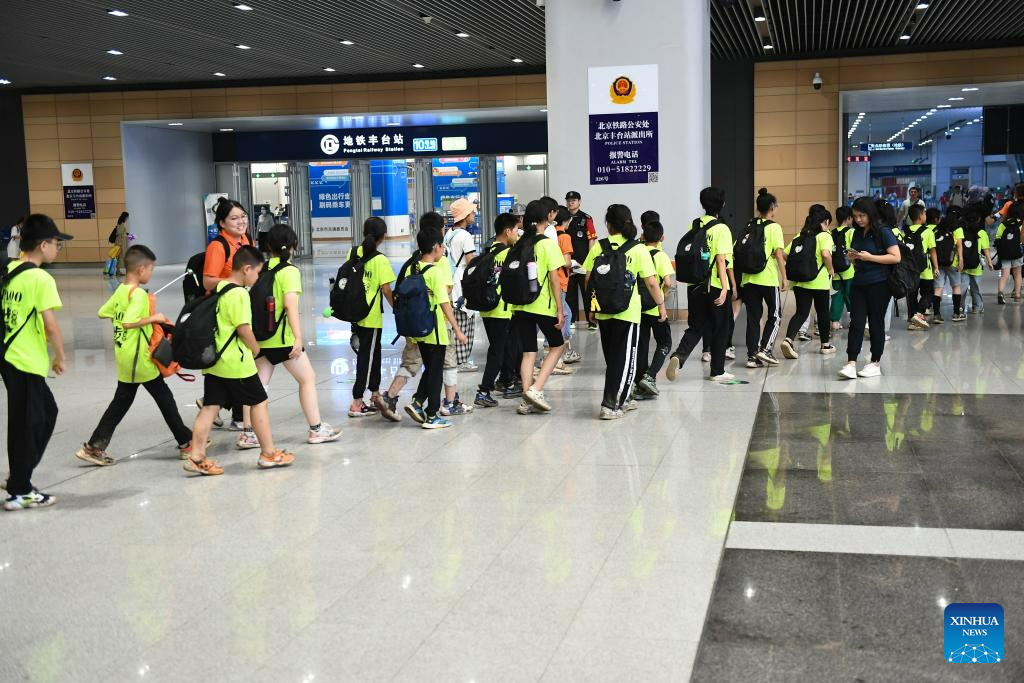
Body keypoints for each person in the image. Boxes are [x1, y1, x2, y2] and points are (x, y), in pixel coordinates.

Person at [76, 245, 197, 466]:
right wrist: (154, 318)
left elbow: (102, 312)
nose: (151, 273)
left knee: (122, 402)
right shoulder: (139, 295)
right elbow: (128, 322)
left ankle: (94, 446)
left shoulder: (121, 291)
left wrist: (123, 315)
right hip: (139, 359)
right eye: (151, 269)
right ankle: (186, 443)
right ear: (141, 269)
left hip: (124, 356)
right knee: (164, 399)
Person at [184, 245, 295, 475]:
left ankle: (196, 456)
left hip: (215, 360)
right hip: (236, 362)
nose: (257, 278)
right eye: (256, 272)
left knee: (210, 407)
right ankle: (268, 453)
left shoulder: (220, 287)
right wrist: (255, 349)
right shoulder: (239, 294)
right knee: (259, 402)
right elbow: (243, 329)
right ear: (246, 269)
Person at [236, 225, 340, 448]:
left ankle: (248, 433)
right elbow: (290, 306)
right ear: (294, 245)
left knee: (257, 386)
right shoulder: (289, 271)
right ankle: (316, 429)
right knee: (307, 379)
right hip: (283, 339)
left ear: (268, 246)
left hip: (260, 338)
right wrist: (298, 338)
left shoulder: (262, 269)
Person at [1, 215, 71, 510]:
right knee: (32, 422)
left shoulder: (10, 269)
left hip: (9, 357)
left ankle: (19, 476)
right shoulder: (41, 278)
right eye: (56, 243)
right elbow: (50, 325)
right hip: (26, 360)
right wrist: (60, 356)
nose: (57, 248)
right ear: (43, 245)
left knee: (33, 417)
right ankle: (20, 489)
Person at [583, 205, 665, 419]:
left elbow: (588, 279)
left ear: (609, 225)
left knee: (613, 359)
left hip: (603, 311)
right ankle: (611, 405)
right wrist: (661, 305)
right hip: (627, 313)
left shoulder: (599, 246)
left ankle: (624, 398)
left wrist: (591, 307)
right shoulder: (638, 249)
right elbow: (652, 282)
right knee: (626, 359)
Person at [666, 186, 737, 383]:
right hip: (714, 285)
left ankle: (679, 356)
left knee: (696, 326)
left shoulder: (695, 225)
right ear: (722, 204)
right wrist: (725, 288)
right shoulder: (722, 228)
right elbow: (721, 259)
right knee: (721, 327)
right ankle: (717, 371)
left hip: (694, 285)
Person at [402, 228, 468, 429]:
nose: (443, 250)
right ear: (435, 247)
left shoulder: (411, 269)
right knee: (436, 373)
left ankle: (417, 402)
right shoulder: (435, 272)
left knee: (431, 370)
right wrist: (457, 330)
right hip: (436, 330)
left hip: (419, 330)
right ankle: (432, 415)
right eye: (442, 246)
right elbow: (444, 304)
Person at [198, 197, 252, 429]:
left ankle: (220, 406)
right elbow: (208, 282)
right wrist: (234, 282)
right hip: (223, 311)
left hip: (242, 304)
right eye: (234, 218)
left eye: (243, 216)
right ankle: (232, 413)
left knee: (239, 360)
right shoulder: (218, 246)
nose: (241, 222)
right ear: (221, 223)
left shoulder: (246, 240)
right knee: (235, 359)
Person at [510, 200, 566, 414]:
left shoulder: (519, 242)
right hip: (542, 305)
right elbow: (554, 280)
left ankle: (526, 400)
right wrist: (560, 309)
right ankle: (536, 389)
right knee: (557, 346)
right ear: (547, 217)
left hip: (519, 305)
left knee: (528, 352)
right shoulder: (547, 244)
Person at [838, 197, 901, 380]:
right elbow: (859, 257)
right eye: (855, 216)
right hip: (859, 283)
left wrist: (870, 257)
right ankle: (851, 362)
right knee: (856, 323)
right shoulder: (857, 233)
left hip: (879, 284)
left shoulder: (883, 231)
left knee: (875, 323)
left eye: (862, 216)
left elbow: (895, 257)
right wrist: (854, 258)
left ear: (870, 214)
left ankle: (875, 362)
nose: (858, 220)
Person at [340, 217, 396, 418]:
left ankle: (374, 394)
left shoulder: (353, 252)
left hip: (355, 314)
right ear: (383, 237)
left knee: (373, 354)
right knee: (367, 357)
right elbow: (386, 290)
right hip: (370, 317)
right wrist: (397, 309)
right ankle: (357, 402)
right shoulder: (380, 260)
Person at [475, 213, 519, 407]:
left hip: (487, 308)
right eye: (516, 230)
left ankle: (508, 382)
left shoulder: (488, 251)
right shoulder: (509, 254)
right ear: (507, 231)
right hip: (502, 309)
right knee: (497, 351)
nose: (517, 234)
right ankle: (484, 391)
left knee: (506, 346)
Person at [780, 205, 835, 359]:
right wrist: (831, 269)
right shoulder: (825, 236)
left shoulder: (800, 235)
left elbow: (785, 254)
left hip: (800, 281)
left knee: (801, 312)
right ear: (825, 222)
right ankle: (825, 345)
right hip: (818, 281)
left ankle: (788, 340)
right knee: (823, 312)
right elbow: (826, 254)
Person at [740, 188, 787, 367]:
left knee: (753, 318)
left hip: (748, 278)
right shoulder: (774, 227)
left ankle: (752, 356)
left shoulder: (749, 225)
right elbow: (779, 254)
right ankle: (765, 349)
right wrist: (784, 277)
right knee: (775, 315)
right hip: (767, 278)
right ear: (772, 208)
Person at [634, 219, 675, 398]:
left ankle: (639, 385)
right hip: (655, 308)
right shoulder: (661, 256)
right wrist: (662, 298)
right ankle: (650, 376)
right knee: (665, 342)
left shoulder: (638, 252)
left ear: (642, 236)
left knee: (641, 345)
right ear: (661, 238)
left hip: (637, 307)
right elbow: (668, 282)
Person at [444, 198, 478, 372]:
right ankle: (462, 361)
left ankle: (453, 358)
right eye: (472, 212)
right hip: (462, 281)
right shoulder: (465, 236)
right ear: (465, 216)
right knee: (466, 320)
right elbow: (471, 262)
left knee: (454, 321)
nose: (474, 214)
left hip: (450, 280)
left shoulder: (448, 233)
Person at [565, 190, 598, 330]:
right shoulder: (564, 217)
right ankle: (571, 320)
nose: (571, 203)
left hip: (583, 262)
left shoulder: (586, 218)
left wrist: (590, 261)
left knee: (588, 292)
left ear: (579, 202)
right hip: (568, 262)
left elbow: (592, 240)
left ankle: (592, 321)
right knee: (570, 292)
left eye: (573, 200)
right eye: (568, 200)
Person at [553, 206, 581, 366]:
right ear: (567, 220)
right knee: (565, 315)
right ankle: (559, 351)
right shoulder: (564, 236)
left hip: (550, 280)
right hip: (560, 281)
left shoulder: (549, 234)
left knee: (562, 314)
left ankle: (562, 350)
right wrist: (573, 265)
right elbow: (566, 262)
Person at [902, 205, 937, 330]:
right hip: (925, 269)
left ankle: (912, 317)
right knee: (929, 293)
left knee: (911, 294)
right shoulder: (928, 231)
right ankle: (918, 314)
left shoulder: (905, 232)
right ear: (921, 216)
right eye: (924, 213)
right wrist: (936, 267)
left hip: (910, 269)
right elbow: (932, 251)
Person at [956, 205, 993, 314]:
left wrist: (960, 260)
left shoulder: (961, 231)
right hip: (976, 266)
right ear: (978, 220)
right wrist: (989, 262)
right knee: (976, 288)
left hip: (963, 265)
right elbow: (986, 249)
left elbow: (957, 247)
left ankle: (960, 307)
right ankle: (977, 307)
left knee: (962, 288)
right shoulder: (982, 233)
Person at [932, 206, 965, 324]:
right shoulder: (957, 229)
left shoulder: (937, 229)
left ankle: (936, 314)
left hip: (938, 262)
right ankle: (957, 313)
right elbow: (959, 245)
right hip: (952, 262)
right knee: (956, 286)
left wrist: (935, 265)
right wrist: (961, 259)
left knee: (938, 288)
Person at [829, 206, 854, 330]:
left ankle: (834, 322)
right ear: (849, 218)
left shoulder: (831, 233)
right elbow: (853, 250)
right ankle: (853, 320)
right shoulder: (851, 232)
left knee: (837, 296)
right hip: (848, 270)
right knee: (851, 295)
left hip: (835, 270)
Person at [995, 201, 1024, 304]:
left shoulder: (1003, 225)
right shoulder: (1021, 223)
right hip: (1017, 252)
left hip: (1005, 253)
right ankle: (1017, 294)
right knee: (1017, 273)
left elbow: (998, 238)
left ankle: (1000, 293)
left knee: (1004, 274)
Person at [113, 211, 130, 276]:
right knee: (121, 257)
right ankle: (120, 271)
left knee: (120, 257)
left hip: (121, 242)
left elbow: (121, 233)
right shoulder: (121, 224)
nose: (127, 218)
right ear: (125, 217)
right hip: (121, 243)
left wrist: (127, 235)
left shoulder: (120, 223)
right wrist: (127, 235)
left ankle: (118, 271)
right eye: (127, 217)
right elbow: (120, 233)